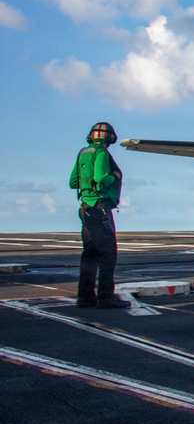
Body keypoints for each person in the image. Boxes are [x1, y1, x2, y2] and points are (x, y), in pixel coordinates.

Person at [69, 122, 130, 309]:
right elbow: (101, 178)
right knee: (108, 253)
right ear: (110, 138)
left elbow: (73, 182)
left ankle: (85, 297)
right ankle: (106, 296)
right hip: (100, 206)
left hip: (85, 207)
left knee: (89, 254)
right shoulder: (102, 153)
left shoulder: (83, 153)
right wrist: (115, 176)